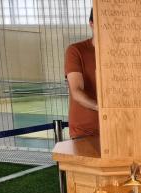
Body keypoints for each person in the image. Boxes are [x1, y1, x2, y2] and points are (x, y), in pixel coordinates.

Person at [64, 9, 98, 139]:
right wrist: (100, 108)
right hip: (85, 131)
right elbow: (76, 91)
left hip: (116, 127)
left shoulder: (120, 54)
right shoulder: (76, 51)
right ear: (91, 24)